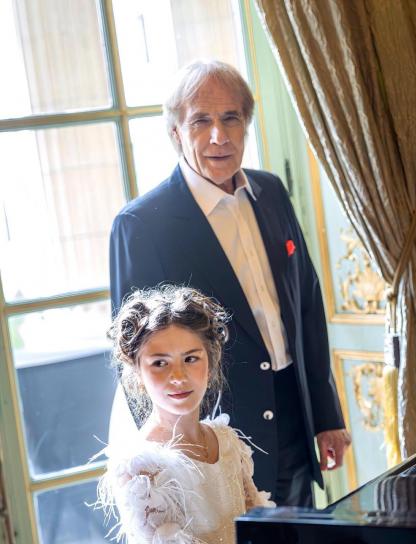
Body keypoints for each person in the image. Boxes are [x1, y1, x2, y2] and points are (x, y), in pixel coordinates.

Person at [109, 59, 351, 508]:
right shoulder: (142, 224)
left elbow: (307, 304)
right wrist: (166, 462)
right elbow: (136, 358)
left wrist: (325, 415)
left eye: (231, 118)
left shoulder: (271, 192)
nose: (219, 136)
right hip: (211, 439)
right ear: (176, 133)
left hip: (295, 420)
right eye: (201, 121)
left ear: (246, 125)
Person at [98, 285, 274, 544]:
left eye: (190, 359)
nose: (178, 376)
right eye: (159, 363)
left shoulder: (225, 441)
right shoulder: (141, 465)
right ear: (137, 373)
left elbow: (256, 521)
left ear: (210, 363)